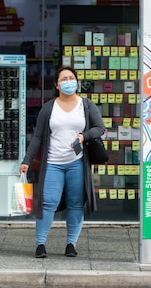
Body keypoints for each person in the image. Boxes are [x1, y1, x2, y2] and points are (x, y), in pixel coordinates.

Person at [19, 66, 105, 258]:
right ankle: (40, 244)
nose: (68, 81)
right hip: (53, 163)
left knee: (75, 204)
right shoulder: (49, 108)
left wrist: (84, 136)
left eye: (71, 78)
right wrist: (27, 160)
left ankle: (71, 244)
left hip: (77, 162)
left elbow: (100, 128)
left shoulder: (86, 105)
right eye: (64, 79)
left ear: (76, 82)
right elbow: (38, 138)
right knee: (48, 203)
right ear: (57, 84)